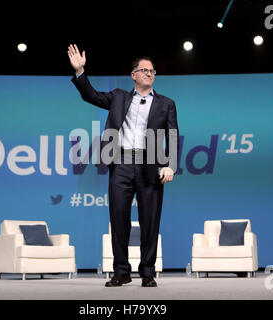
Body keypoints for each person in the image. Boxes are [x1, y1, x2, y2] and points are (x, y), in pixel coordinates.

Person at [67, 44, 179, 287]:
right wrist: (80, 72)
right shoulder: (118, 97)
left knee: (150, 221)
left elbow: (172, 134)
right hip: (121, 164)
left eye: (153, 71)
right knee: (119, 219)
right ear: (134, 75)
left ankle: (147, 273)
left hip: (150, 166)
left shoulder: (166, 103)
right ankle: (121, 272)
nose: (149, 73)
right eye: (144, 70)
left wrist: (170, 165)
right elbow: (91, 95)